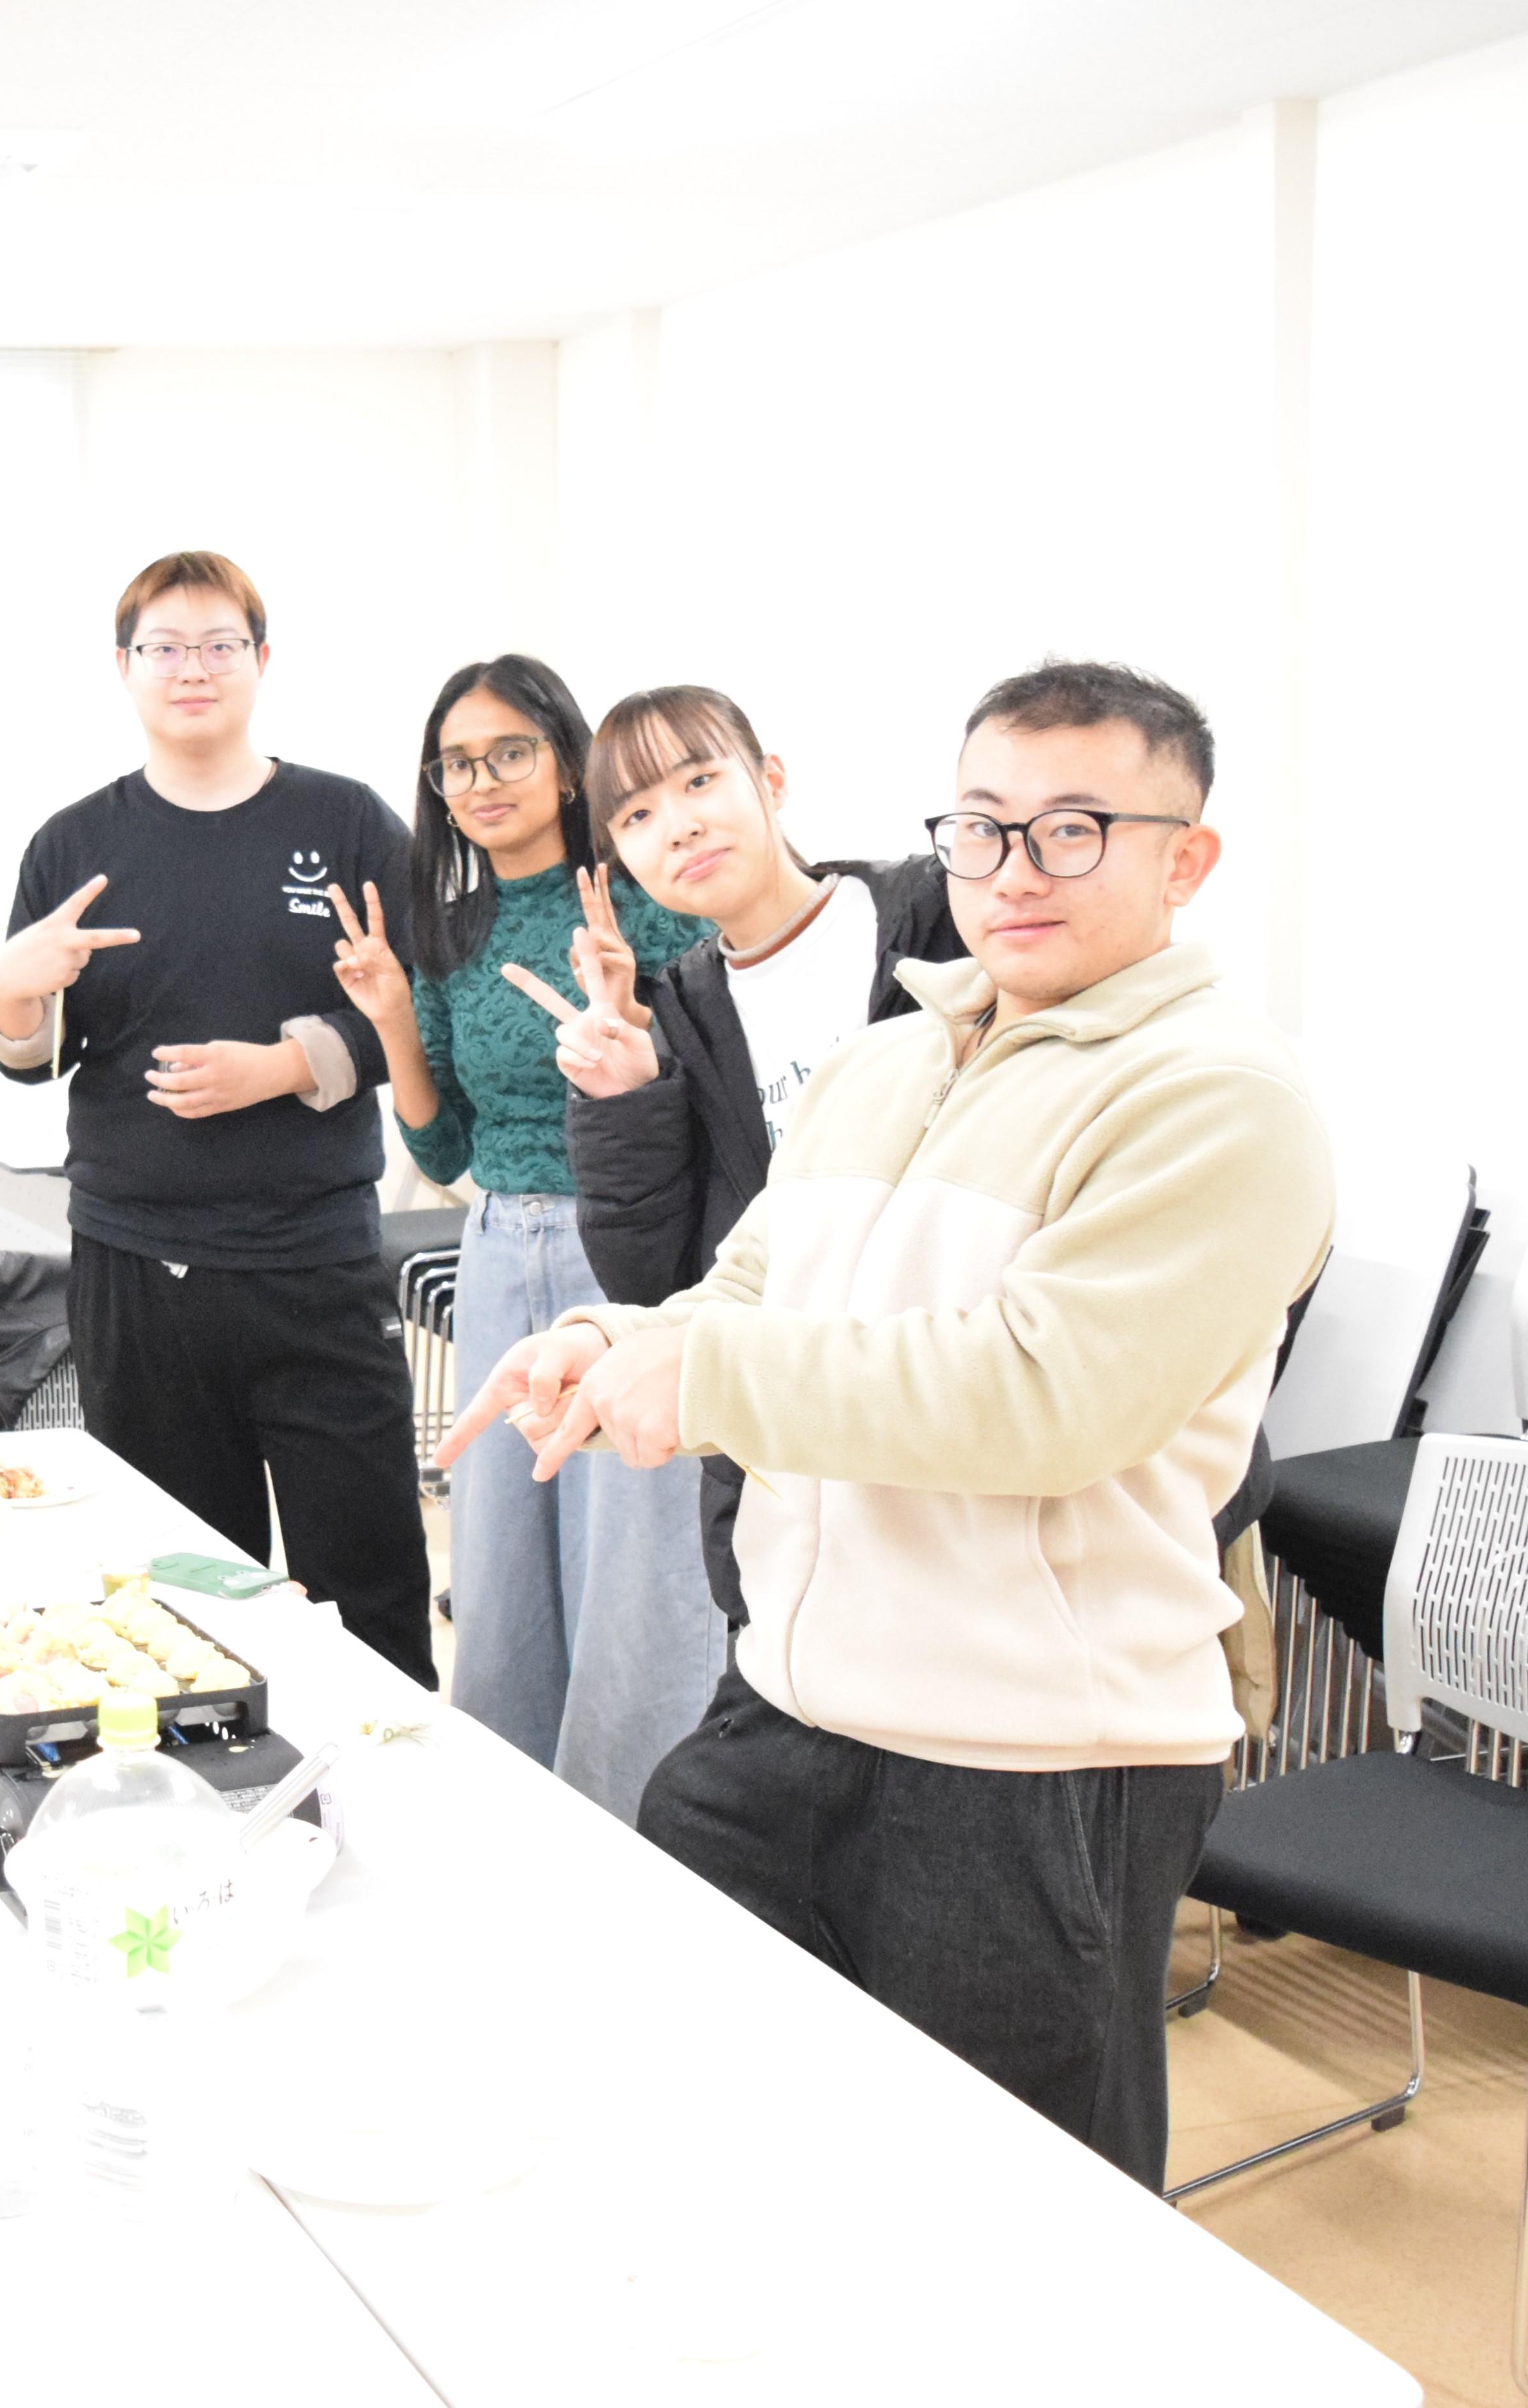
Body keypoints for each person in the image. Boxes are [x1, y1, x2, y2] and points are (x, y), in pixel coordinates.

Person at [441, 662, 1330, 2189]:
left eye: (1074, 829)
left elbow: (1040, 1395)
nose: (1014, 869)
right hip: (787, 1707)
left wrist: (703, 1378)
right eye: (981, 826)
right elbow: (750, 1278)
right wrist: (615, 1334)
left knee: (1010, 2219)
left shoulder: (1222, 1097)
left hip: (1030, 1762)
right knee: (746, 2166)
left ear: (1186, 858)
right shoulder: (888, 1058)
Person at [0, 549, 435, 1682]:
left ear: (262, 660)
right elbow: (33, 1055)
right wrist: (6, 994)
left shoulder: (346, 822)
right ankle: (190, 1781)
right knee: (170, 1597)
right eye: (165, 648)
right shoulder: (74, 844)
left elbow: (420, 1006)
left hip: (316, 1261)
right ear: (123, 667)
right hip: (139, 1268)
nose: (194, 668)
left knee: (367, 1586)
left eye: (220, 644)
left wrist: (284, 1066)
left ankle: (393, 1771)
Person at [327, 655, 712, 1815]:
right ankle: (502, 1815)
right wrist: (391, 1017)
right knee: (498, 1554)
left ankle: (635, 1823)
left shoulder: (648, 899)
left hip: (627, 1248)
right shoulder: (449, 929)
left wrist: (628, 1011)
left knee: (630, 1563)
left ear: (565, 763)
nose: (482, 780)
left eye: (509, 752)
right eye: (457, 764)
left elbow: (701, 1098)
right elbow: (443, 1144)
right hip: (498, 1243)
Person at [542, 685, 965, 1630]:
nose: (679, 827)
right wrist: (627, 1103)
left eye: (700, 781)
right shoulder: (683, 1016)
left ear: (771, 780)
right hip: (790, 1456)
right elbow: (661, 1286)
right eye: (638, 816)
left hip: (955, 1414)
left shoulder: (937, 917)